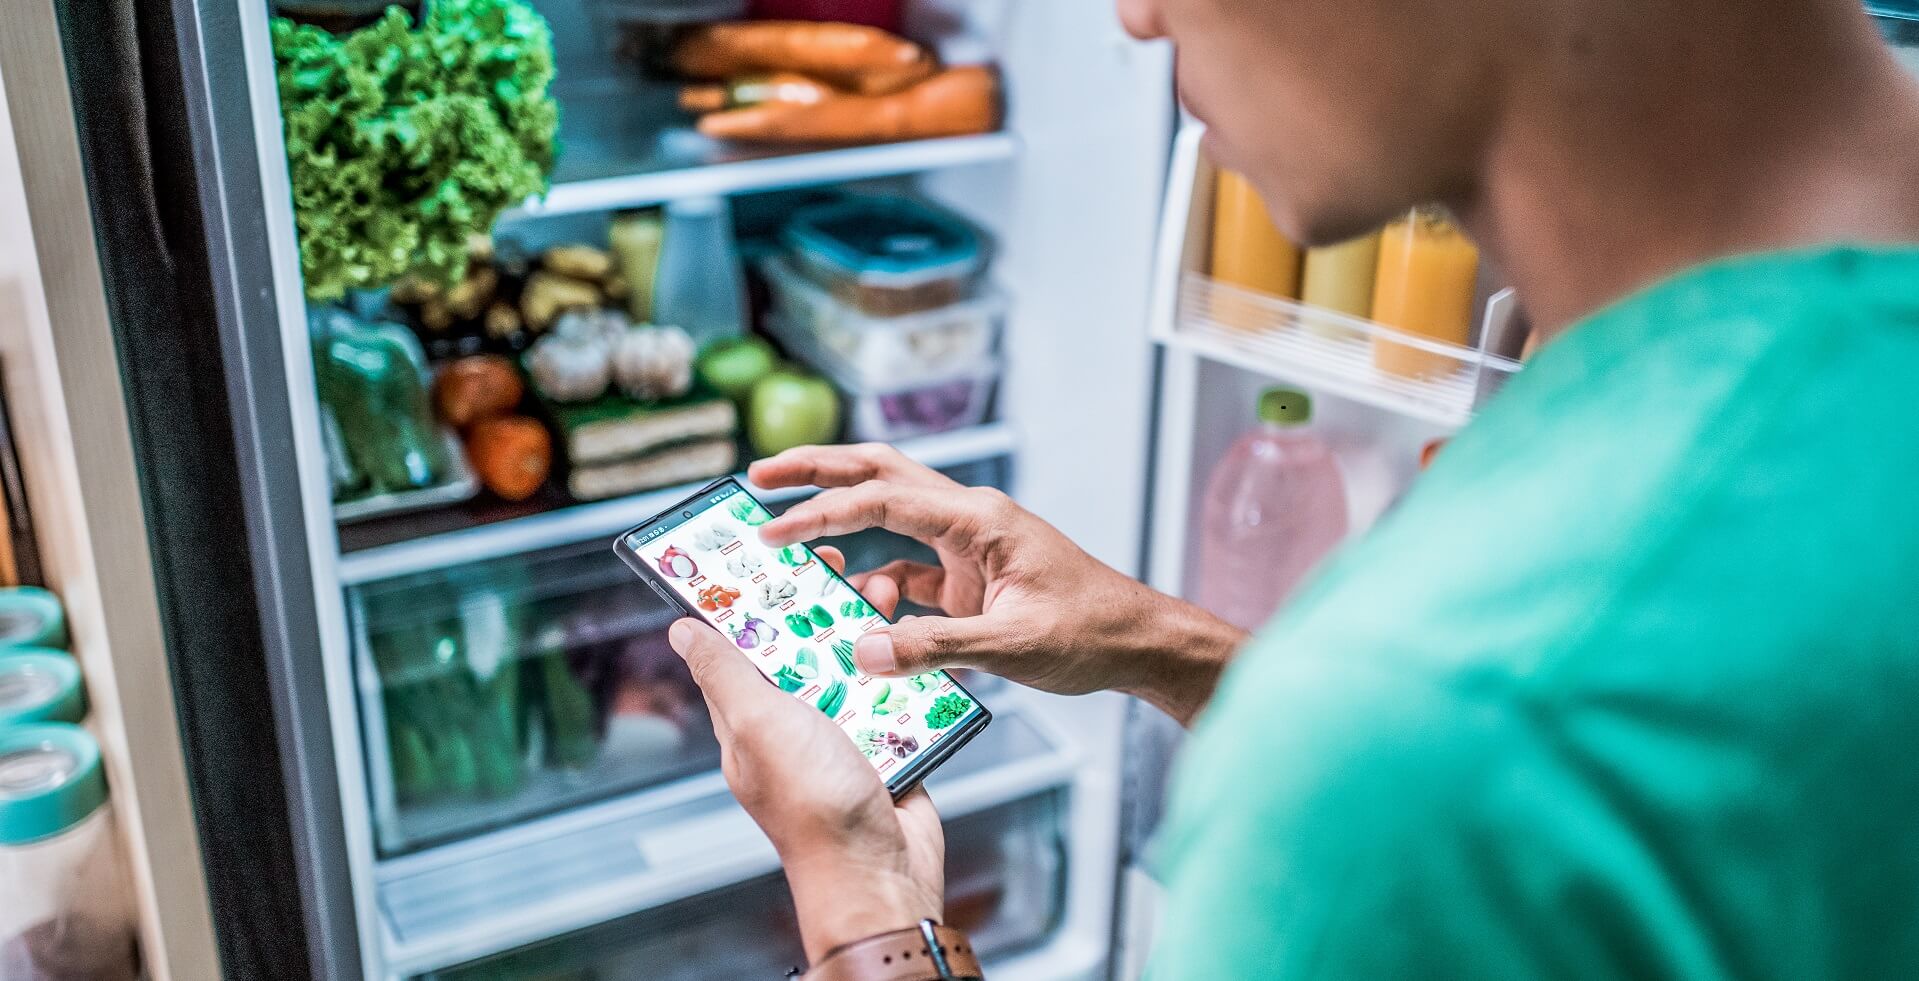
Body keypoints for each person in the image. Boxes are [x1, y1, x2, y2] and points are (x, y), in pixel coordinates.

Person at [666, 0, 1919, 976]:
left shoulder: (1429, 725)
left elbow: (1458, 755)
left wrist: (863, 897)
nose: (1133, 18)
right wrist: (1157, 644)